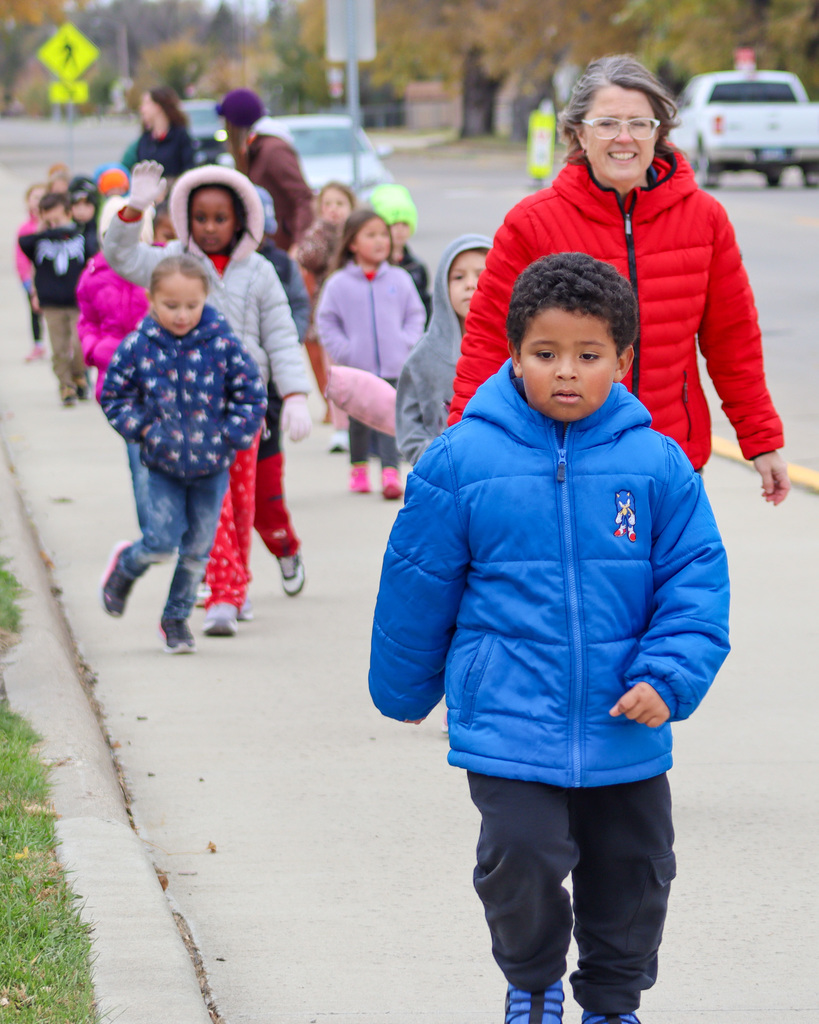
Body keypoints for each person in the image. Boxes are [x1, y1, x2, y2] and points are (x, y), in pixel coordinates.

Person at [369, 252, 731, 1024]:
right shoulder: (462, 461)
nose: (566, 372)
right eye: (545, 354)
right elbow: (417, 579)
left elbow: (695, 582)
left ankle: (611, 1001)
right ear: (513, 354)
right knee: (519, 861)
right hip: (508, 713)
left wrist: (667, 677)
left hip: (624, 716)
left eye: (588, 355)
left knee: (633, 870)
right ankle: (531, 984)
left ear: (622, 360)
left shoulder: (655, 464)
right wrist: (403, 689)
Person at [448, 53, 790, 506]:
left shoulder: (706, 220)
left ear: (659, 133)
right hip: (563, 458)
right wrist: (460, 447)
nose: (624, 138)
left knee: (680, 576)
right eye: (607, 123)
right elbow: (489, 342)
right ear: (578, 134)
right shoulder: (530, 223)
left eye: (640, 123)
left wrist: (761, 438)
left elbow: (734, 341)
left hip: (673, 458)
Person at [104, 161, 312, 638]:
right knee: (213, 507)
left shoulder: (258, 270)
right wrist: (134, 208)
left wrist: (296, 393)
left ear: (241, 218)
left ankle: (233, 584)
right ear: (185, 218)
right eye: (201, 217)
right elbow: (120, 257)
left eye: (221, 218)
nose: (211, 228)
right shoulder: (171, 261)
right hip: (183, 414)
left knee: (241, 505)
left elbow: (280, 334)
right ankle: (222, 594)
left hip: (243, 408)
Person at [99, 255, 267, 654]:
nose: (181, 315)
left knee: (197, 550)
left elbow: (251, 392)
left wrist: (231, 435)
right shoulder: (140, 345)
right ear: (152, 298)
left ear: (205, 298)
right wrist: (144, 430)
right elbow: (114, 394)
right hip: (163, 465)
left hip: (212, 467)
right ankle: (126, 565)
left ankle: (174, 620)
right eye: (171, 305)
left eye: (191, 305)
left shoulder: (222, 342)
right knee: (160, 541)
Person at [315, 208, 426, 499]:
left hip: (393, 366)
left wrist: (406, 342)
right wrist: (344, 350)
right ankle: (359, 468)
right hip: (357, 367)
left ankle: (390, 473)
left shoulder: (400, 279)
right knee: (359, 422)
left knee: (390, 417)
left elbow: (416, 314)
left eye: (383, 235)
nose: (380, 241)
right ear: (353, 243)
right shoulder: (339, 283)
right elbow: (326, 320)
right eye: (371, 235)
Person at [77, 197, 153, 528]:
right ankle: (153, 532)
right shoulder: (94, 274)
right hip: (118, 385)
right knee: (138, 458)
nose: (123, 241)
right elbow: (87, 323)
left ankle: (173, 526)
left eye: (133, 232)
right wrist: (95, 349)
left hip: (162, 376)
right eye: (113, 232)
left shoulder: (160, 266)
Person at [254, 184, 310, 598]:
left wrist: (293, 392)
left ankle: (284, 547)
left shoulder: (275, 265)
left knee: (264, 495)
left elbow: (297, 309)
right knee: (208, 500)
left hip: (265, 394)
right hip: (209, 401)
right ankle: (214, 574)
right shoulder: (201, 264)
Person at [395, 234, 491, 465]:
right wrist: (433, 460)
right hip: (443, 482)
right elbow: (409, 426)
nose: (470, 284)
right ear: (441, 286)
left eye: (481, 275)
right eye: (458, 277)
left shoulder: (517, 351)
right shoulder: (424, 355)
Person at [217, 88, 314, 252]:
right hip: (267, 244)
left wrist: (298, 245)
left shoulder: (273, 150)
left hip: (281, 245)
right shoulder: (255, 147)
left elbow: (302, 197)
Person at [296, 180, 357, 438]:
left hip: (352, 307)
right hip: (323, 305)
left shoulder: (355, 233)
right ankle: (332, 406)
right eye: (328, 204)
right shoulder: (317, 234)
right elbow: (307, 258)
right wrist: (321, 232)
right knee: (323, 357)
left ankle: (351, 408)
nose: (334, 209)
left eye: (340, 204)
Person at [19, 192, 91, 405]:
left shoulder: (81, 237)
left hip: (77, 302)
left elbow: (92, 256)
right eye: (49, 219)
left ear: (69, 214)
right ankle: (66, 386)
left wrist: (67, 227)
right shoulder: (41, 240)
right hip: (52, 304)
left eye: (58, 219)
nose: (55, 225)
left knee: (80, 346)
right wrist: (44, 227)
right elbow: (24, 243)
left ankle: (78, 374)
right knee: (59, 349)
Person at [369, 183, 431, 323]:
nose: (399, 230)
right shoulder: (373, 265)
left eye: (404, 224)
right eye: (393, 224)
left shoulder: (416, 266)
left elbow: (424, 303)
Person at [15, 182, 47, 362]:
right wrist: (26, 279)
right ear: (27, 202)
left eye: (42, 198)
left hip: (50, 279)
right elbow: (20, 257)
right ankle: (38, 344)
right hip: (31, 279)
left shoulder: (53, 225)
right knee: (34, 312)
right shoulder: (25, 229)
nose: (37, 202)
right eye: (34, 198)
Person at [135, 87, 194, 182]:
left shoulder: (180, 136)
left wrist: (167, 186)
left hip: (175, 193)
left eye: (146, 103)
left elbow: (189, 170)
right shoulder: (145, 139)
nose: (142, 109)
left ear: (158, 106)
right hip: (149, 194)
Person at [68, 175, 100, 259]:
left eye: (87, 204)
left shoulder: (100, 233)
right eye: (76, 204)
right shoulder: (66, 234)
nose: (81, 210)